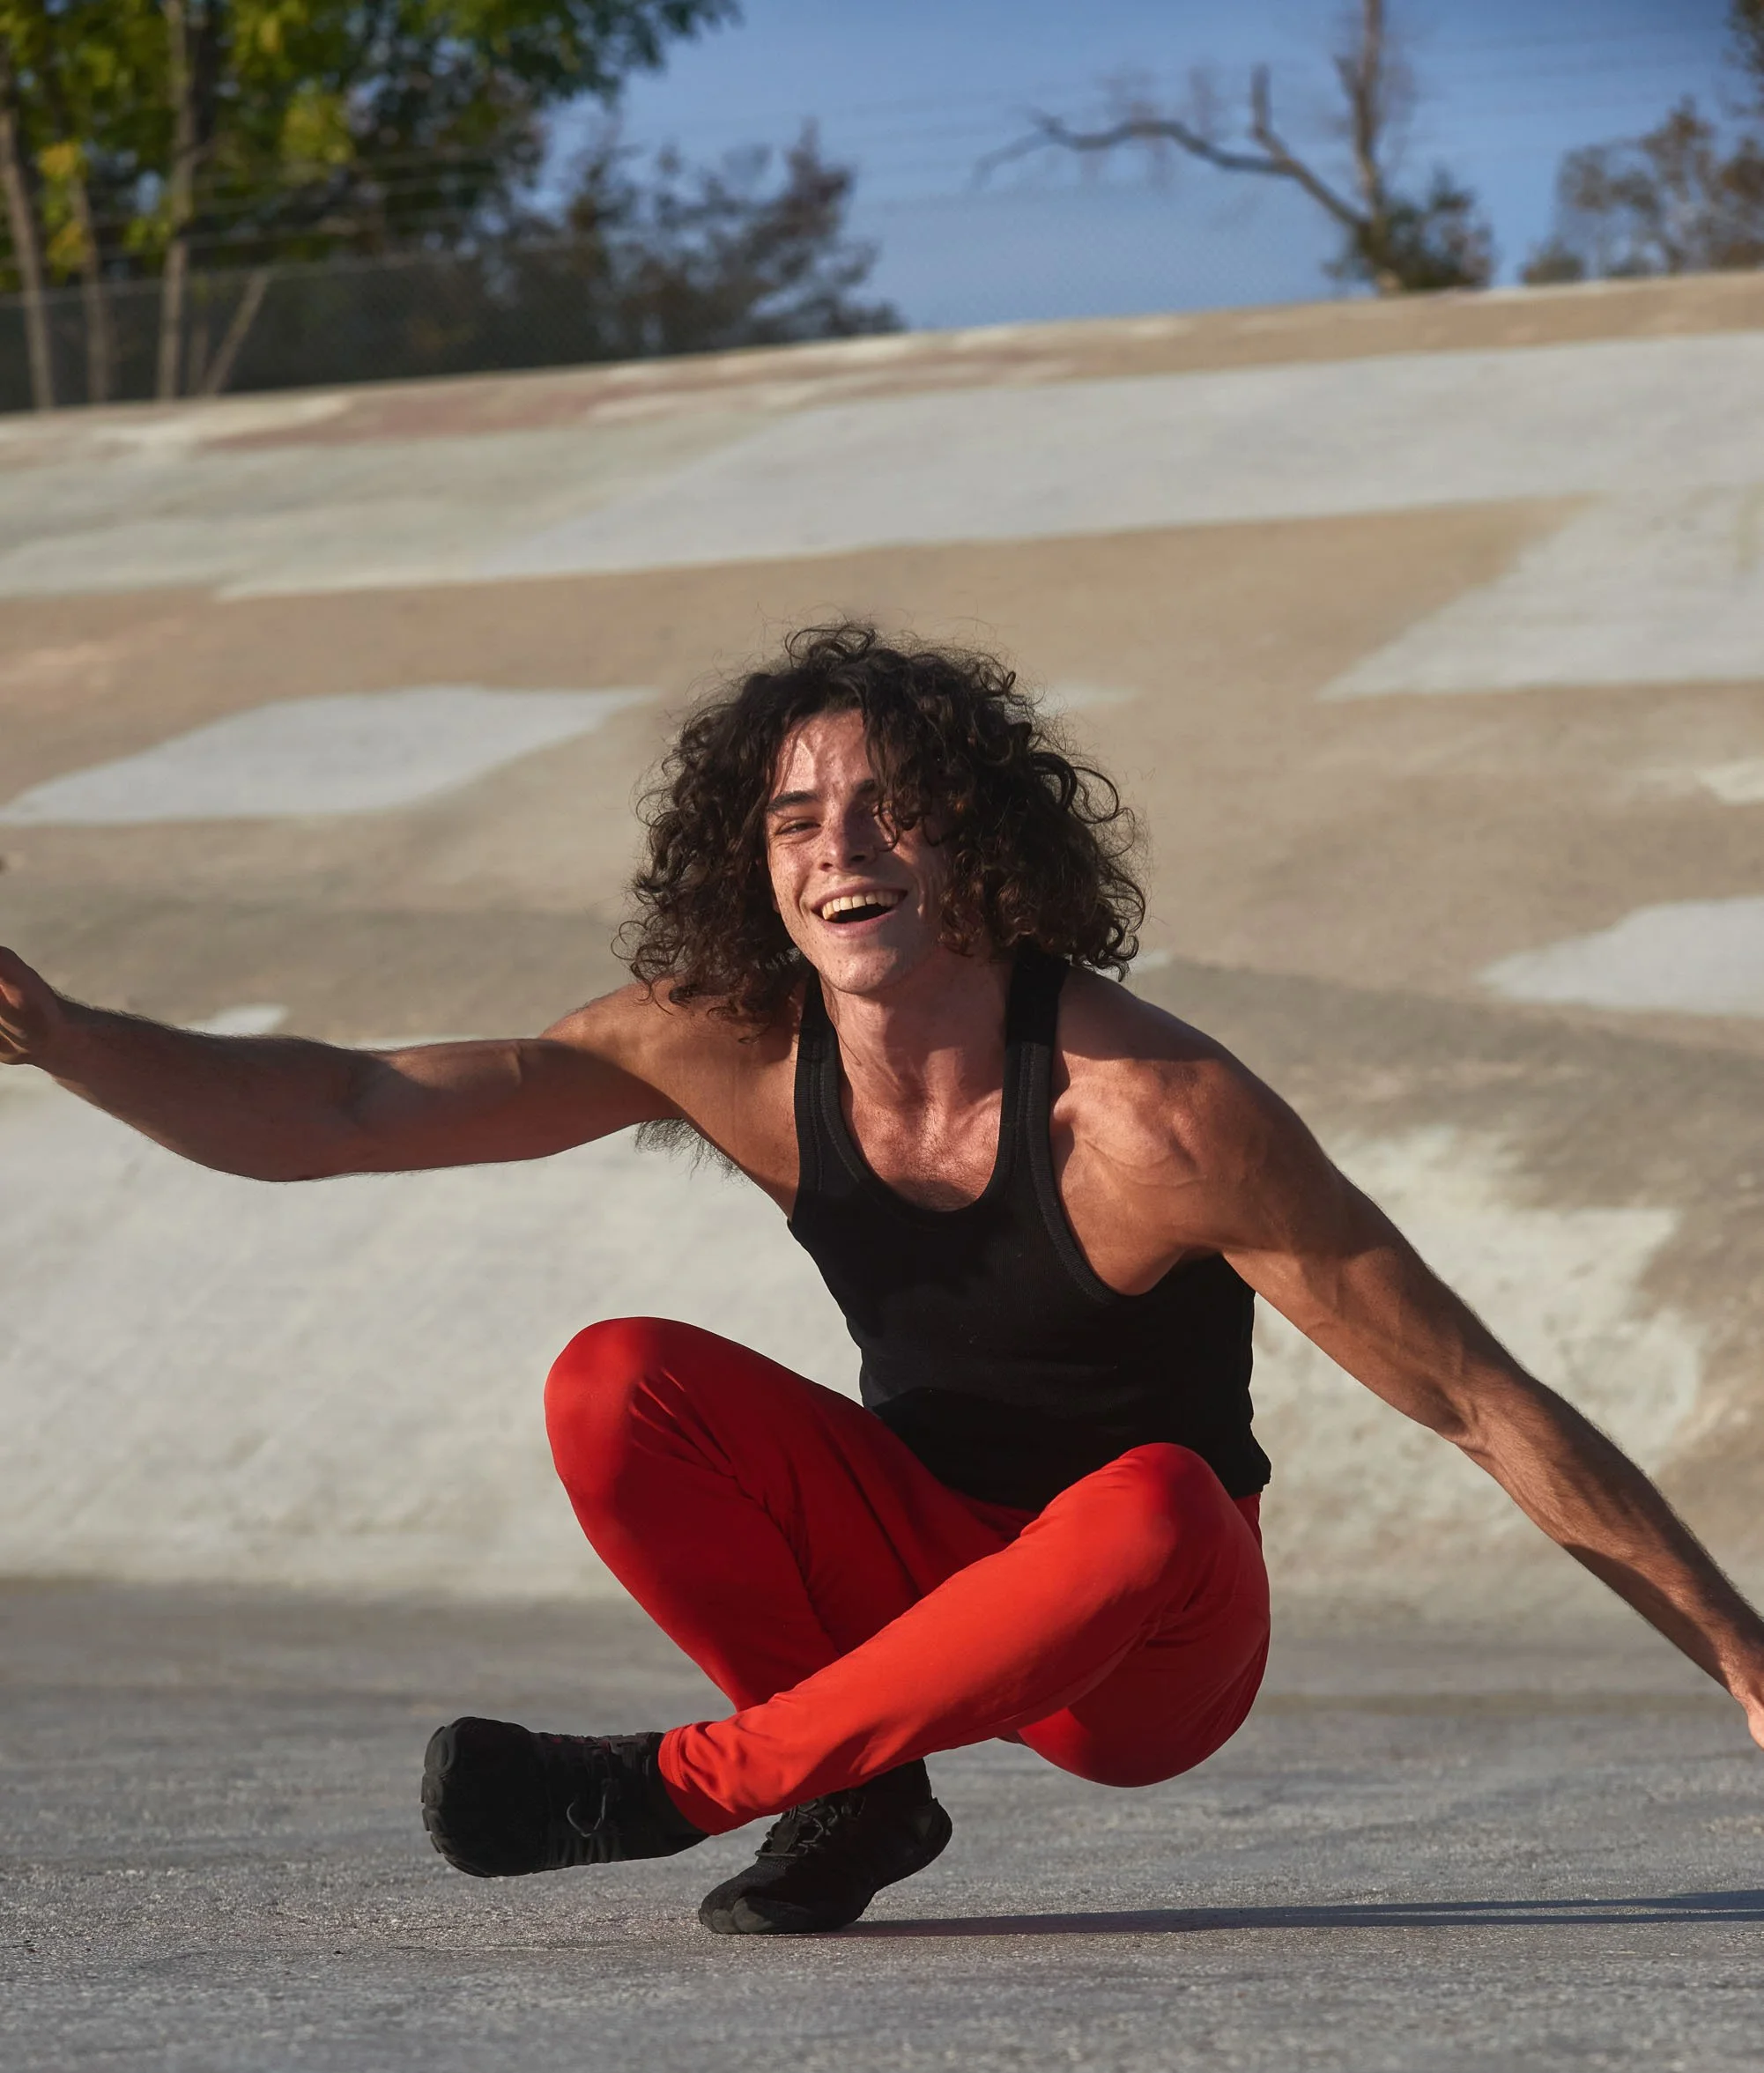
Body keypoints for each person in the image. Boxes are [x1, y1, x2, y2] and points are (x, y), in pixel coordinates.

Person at [4, 621, 1761, 1938]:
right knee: (617, 1382)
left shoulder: (1153, 1115)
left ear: (978, 844)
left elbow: (1475, 1404)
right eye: (793, 821)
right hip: (922, 1563)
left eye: (889, 810)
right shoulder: (727, 1051)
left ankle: (696, 1783)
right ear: (753, 865)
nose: (839, 849)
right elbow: (346, 1108)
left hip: (1144, 1649)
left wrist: (1746, 1667)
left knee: (1151, 1498)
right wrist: (67, 1037)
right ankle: (859, 1797)